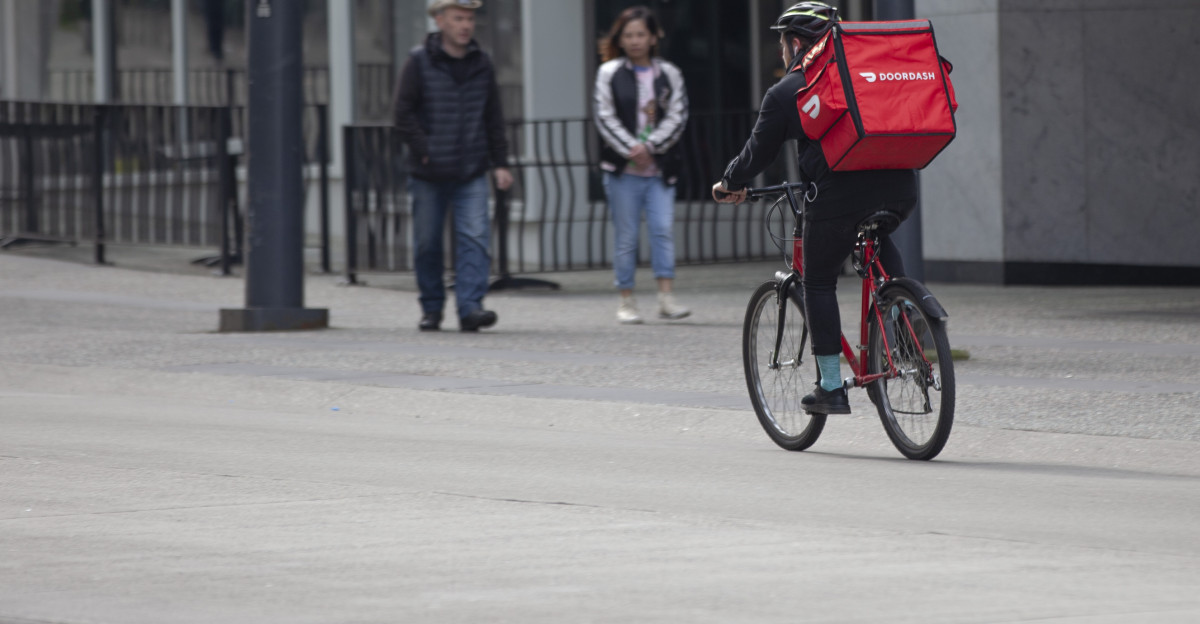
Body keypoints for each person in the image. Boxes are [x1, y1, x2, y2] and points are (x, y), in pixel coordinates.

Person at [712, 2, 918, 414]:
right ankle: (911, 330)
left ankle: (830, 387)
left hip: (840, 198)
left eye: (781, 44)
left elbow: (757, 152)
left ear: (793, 43)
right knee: (879, 239)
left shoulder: (789, 89)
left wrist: (730, 183)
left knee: (818, 281)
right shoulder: (863, 73)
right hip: (900, 185)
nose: (781, 54)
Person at [393, 0, 513, 332]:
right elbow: (402, 115)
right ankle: (432, 307)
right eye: (458, 19)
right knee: (428, 243)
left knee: (474, 238)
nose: (466, 25)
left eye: (470, 19)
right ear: (440, 21)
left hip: (470, 169)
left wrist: (500, 163)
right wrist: (425, 149)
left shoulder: (482, 63)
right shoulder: (418, 61)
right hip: (428, 172)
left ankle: (470, 307)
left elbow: (494, 117)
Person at [594, 6, 690, 325]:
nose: (635, 41)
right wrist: (630, 149)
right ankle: (626, 299)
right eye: (628, 35)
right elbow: (604, 116)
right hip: (623, 171)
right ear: (620, 39)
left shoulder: (669, 73)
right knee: (626, 236)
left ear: (653, 37)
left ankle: (666, 297)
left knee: (662, 230)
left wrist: (650, 146)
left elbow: (678, 116)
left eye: (640, 35)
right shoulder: (608, 72)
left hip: (660, 169)